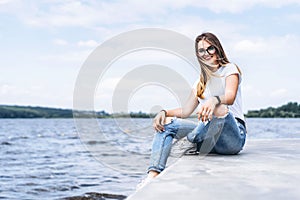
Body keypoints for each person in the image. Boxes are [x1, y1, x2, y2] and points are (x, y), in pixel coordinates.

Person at [138, 32, 247, 187]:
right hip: (207, 137)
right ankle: (152, 176)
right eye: (201, 50)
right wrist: (163, 112)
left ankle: (191, 141)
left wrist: (213, 100)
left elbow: (230, 96)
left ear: (217, 49)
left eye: (210, 48)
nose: (206, 53)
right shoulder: (199, 82)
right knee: (167, 124)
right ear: (198, 54)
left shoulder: (229, 69)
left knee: (219, 108)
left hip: (232, 136)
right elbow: (186, 111)